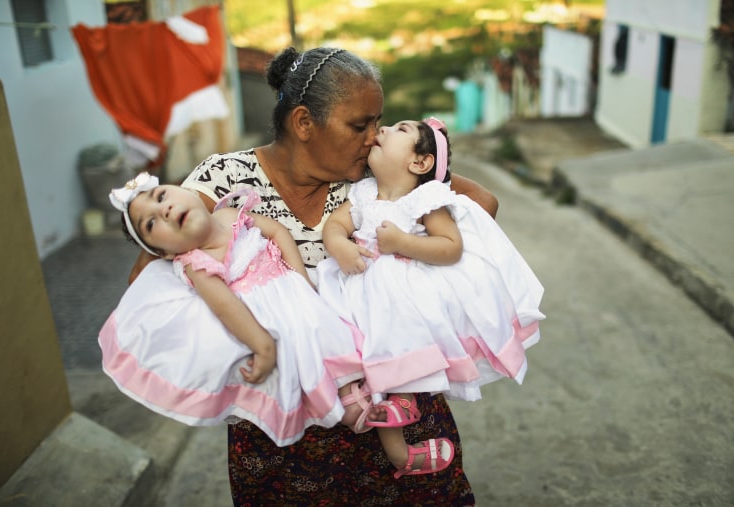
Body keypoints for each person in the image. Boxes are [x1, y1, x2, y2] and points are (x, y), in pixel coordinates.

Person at [128, 46, 498, 505]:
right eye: (359, 125)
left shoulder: (371, 176)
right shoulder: (225, 180)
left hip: (396, 409)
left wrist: (414, 198)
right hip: (283, 433)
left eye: (378, 122)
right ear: (304, 123)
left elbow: (483, 204)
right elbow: (149, 279)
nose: (374, 135)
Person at [102, 171, 454, 476]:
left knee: (352, 342)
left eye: (161, 196)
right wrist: (263, 346)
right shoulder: (195, 263)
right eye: (151, 224)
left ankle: (388, 415)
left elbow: (277, 233)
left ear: (189, 192)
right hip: (275, 319)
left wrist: (300, 279)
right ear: (164, 254)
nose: (162, 210)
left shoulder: (229, 214)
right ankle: (374, 428)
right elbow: (227, 308)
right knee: (317, 360)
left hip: (300, 295)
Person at [316, 117, 545, 477]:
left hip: (397, 293)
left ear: (420, 163)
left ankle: (401, 415)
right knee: (340, 336)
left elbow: (450, 247)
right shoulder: (361, 192)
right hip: (356, 285)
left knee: (396, 350)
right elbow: (335, 224)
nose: (384, 130)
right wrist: (338, 244)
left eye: (399, 130)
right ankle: (390, 441)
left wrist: (404, 244)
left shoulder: (424, 199)